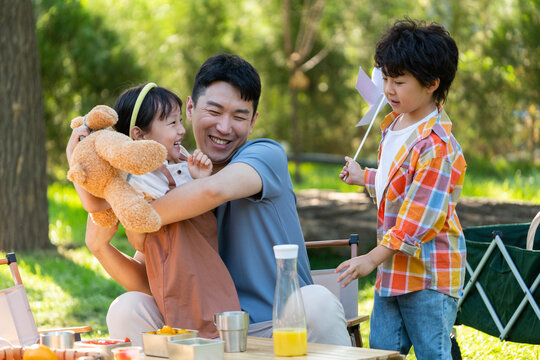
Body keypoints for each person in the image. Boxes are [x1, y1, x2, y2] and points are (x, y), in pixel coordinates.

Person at [67, 54, 350, 346]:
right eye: (214, 111)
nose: (225, 127)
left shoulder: (264, 155)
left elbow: (212, 191)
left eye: (239, 116)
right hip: (204, 335)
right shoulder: (170, 180)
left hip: (276, 328)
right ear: (190, 108)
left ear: (253, 121)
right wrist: (99, 246)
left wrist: (131, 212)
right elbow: (151, 280)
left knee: (317, 301)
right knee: (127, 307)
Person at [67, 83, 240, 341]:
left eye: (180, 121)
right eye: (172, 123)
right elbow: (95, 204)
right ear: (138, 135)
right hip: (181, 285)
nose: (182, 129)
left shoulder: (182, 166)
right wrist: (75, 157)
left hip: (208, 278)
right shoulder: (136, 181)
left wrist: (199, 178)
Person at [337, 18, 467, 359]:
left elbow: (417, 217)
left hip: (429, 275)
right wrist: (364, 176)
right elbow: (396, 184)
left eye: (399, 81)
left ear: (431, 83)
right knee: (382, 351)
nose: (388, 89)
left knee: (431, 353)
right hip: (393, 271)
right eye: (385, 78)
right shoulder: (394, 123)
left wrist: (371, 258)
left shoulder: (437, 146)